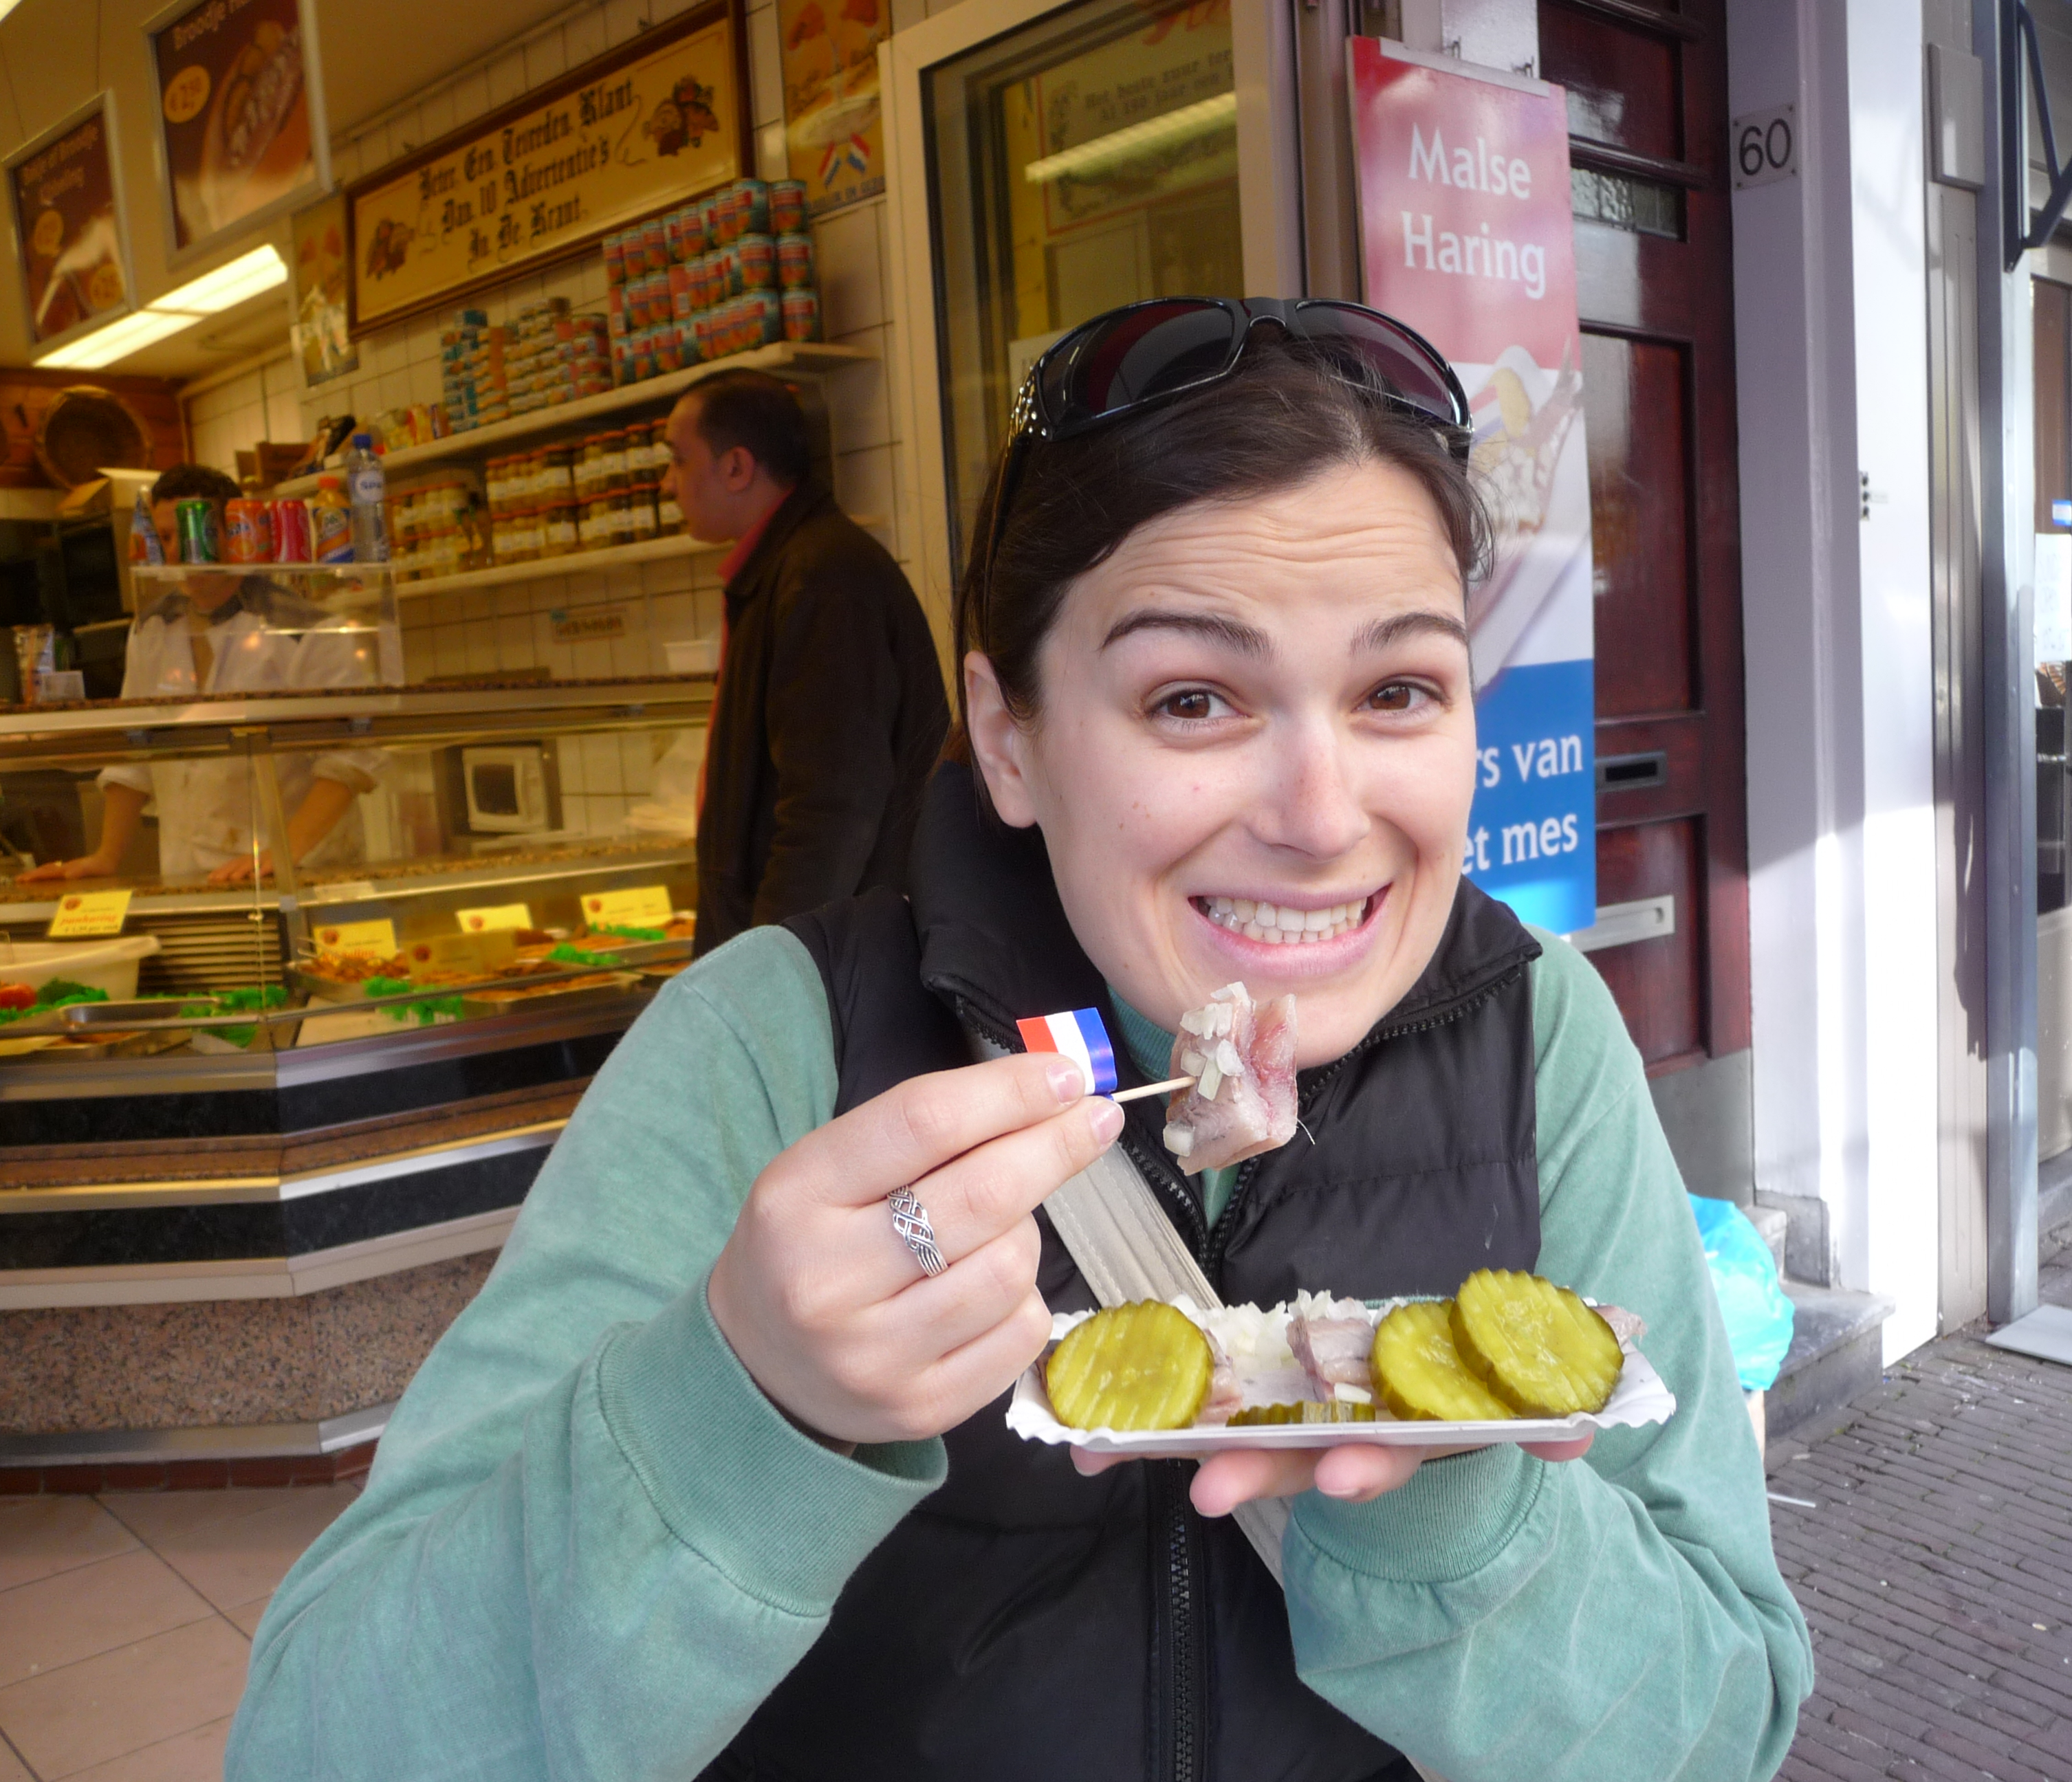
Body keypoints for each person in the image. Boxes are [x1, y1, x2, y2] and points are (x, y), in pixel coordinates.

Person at [228, 299, 1810, 1781]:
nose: (1322, 818)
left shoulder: (1538, 1034)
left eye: (1398, 688)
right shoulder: (766, 1049)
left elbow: (1723, 1721)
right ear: (1006, 737)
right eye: (1192, 700)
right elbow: (323, 1738)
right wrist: (745, 1405)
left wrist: (1455, 1508)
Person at [658, 368, 947, 954]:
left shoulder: (821, 576)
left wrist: (771, 964)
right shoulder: (791, 569)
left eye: (679, 460)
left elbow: (831, 806)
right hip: (821, 948)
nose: (668, 484)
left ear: (736, 467)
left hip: (838, 959)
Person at [18, 464, 384, 889]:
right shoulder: (152, 628)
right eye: (168, 538)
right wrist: (106, 855)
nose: (179, 552)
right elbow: (135, 748)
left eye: (193, 531)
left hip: (299, 875)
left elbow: (351, 758)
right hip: (187, 873)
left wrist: (282, 852)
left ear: (234, 530)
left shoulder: (306, 630)